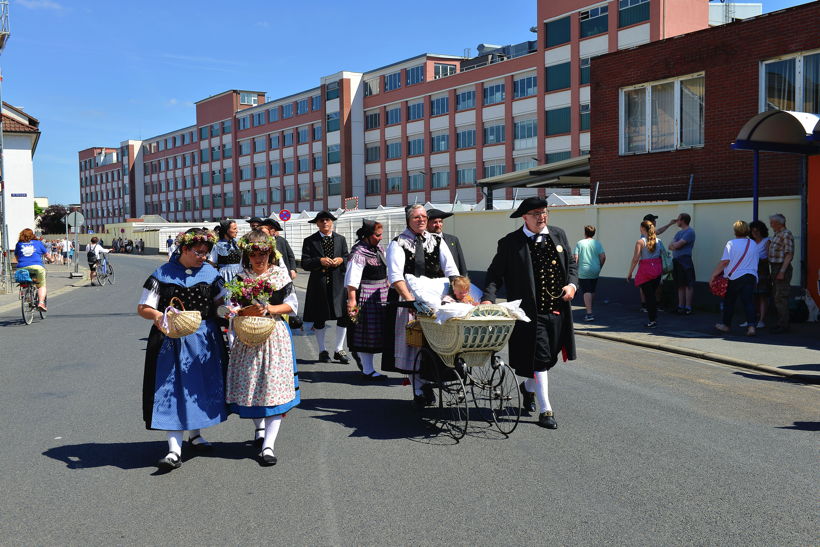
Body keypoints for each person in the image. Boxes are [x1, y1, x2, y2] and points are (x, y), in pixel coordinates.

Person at [480, 197, 577, 429]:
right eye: (536, 213)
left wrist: (572, 285)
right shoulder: (510, 243)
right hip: (529, 314)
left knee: (549, 358)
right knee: (540, 360)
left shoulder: (558, 234)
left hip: (557, 311)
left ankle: (527, 387)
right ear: (524, 217)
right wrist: (487, 299)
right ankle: (546, 410)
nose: (542, 217)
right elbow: (495, 274)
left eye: (544, 212)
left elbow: (572, 265)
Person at [137, 228, 228, 471]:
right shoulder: (163, 273)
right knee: (172, 390)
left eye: (206, 252)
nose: (203, 257)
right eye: (198, 252)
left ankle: (195, 435)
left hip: (204, 339)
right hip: (171, 339)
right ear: (184, 249)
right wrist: (160, 316)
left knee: (197, 388)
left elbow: (221, 303)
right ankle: (174, 450)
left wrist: (230, 313)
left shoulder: (211, 273)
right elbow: (144, 307)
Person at [223, 230, 300, 466]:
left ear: (270, 253)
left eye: (263, 253)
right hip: (247, 337)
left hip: (274, 335)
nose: (259, 259)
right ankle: (259, 428)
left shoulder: (279, 275)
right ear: (247, 254)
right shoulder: (240, 276)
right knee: (252, 385)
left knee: (273, 388)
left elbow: (292, 305)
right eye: (254, 254)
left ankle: (269, 445)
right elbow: (230, 305)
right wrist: (240, 311)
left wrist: (269, 309)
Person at [385, 204, 459, 404]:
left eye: (424, 216)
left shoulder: (437, 240)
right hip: (410, 297)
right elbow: (395, 276)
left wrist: (457, 291)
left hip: (437, 297)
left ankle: (441, 374)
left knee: (442, 338)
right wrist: (411, 301)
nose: (422, 220)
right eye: (417, 217)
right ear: (409, 220)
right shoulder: (398, 243)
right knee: (414, 343)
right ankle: (419, 387)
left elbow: (451, 268)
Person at [301, 210, 350, 364]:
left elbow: (348, 257)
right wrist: (319, 261)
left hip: (338, 283)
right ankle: (322, 350)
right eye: (321, 221)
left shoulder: (340, 239)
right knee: (319, 318)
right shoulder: (310, 240)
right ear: (317, 223)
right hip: (319, 284)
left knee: (343, 316)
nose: (325, 223)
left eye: (327, 220)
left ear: (332, 222)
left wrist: (341, 260)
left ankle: (338, 349)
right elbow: (305, 263)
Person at [344, 219, 389, 381]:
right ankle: (368, 369)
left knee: (377, 333)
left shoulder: (378, 249)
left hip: (381, 293)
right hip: (364, 296)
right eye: (378, 235)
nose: (380, 237)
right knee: (364, 333)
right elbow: (352, 280)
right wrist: (352, 301)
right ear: (368, 235)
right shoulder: (358, 253)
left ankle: (367, 365)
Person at [711, 221, 758, 336]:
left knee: (729, 302)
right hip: (750, 276)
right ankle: (751, 327)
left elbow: (725, 262)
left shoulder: (731, 243)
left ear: (735, 231)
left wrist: (714, 275)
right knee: (748, 302)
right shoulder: (752, 243)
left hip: (734, 277)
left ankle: (726, 325)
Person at [627, 220, 662, 329]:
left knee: (649, 297)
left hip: (645, 272)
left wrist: (630, 272)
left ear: (642, 228)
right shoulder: (659, 241)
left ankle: (652, 320)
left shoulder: (640, 242)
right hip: (657, 271)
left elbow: (635, 259)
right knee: (652, 296)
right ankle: (654, 318)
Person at [658, 213, 696, 314]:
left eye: (678, 219)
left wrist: (675, 245)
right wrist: (674, 245)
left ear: (683, 220)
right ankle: (680, 306)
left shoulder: (690, 232)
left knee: (688, 283)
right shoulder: (678, 233)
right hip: (677, 260)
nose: (677, 221)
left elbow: (678, 245)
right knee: (679, 284)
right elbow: (670, 246)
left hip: (685, 260)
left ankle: (688, 307)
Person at [14, 228, 52, 311]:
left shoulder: (19, 244)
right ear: (32, 235)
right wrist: (51, 260)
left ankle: (27, 295)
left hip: (22, 267)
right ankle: (41, 303)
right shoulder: (38, 243)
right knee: (41, 285)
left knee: (24, 282)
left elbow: (17, 256)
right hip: (37, 267)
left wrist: (22, 262)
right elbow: (47, 255)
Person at [573, 225, 605, 321]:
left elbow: (575, 258)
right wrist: (600, 266)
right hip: (595, 269)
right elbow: (603, 257)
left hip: (584, 270)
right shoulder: (597, 244)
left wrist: (574, 268)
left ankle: (589, 313)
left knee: (586, 290)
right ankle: (590, 306)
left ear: (585, 232)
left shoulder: (580, 243)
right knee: (592, 290)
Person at [768, 213, 794, 333]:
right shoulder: (777, 234)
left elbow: (789, 254)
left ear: (779, 223)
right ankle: (780, 323)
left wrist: (782, 271)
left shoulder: (786, 234)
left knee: (780, 296)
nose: (770, 224)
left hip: (781, 267)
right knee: (777, 296)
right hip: (775, 267)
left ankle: (784, 325)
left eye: (772, 222)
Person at [743, 220, 771, 329]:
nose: (755, 233)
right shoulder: (750, 242)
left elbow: (769, 257)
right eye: (753, 231)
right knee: (750, 296)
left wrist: (760, 260)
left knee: (762, 296)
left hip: (762, 270)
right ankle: (750, 319)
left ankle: (761, 320)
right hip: (751, 270)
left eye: (757, 231)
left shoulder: (766, 241)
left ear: (761, 231)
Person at [427, 208, 468, 276]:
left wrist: (464, 280)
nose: (438, 225)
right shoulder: (422, 241)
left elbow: (461, 264)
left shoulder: (453, 240)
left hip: (453, 281)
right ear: (427, 224)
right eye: (435, 222)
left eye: (440, 221)